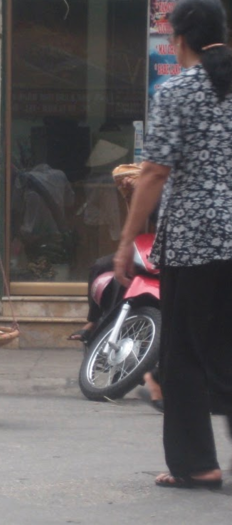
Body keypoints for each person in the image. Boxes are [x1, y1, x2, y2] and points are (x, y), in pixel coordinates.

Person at [114, 0, 232, 489]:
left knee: (183, 356)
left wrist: (126, 242)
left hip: (195, 244)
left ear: (179, 39)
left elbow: (155, 173)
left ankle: (197, 464)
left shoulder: (178, 91)